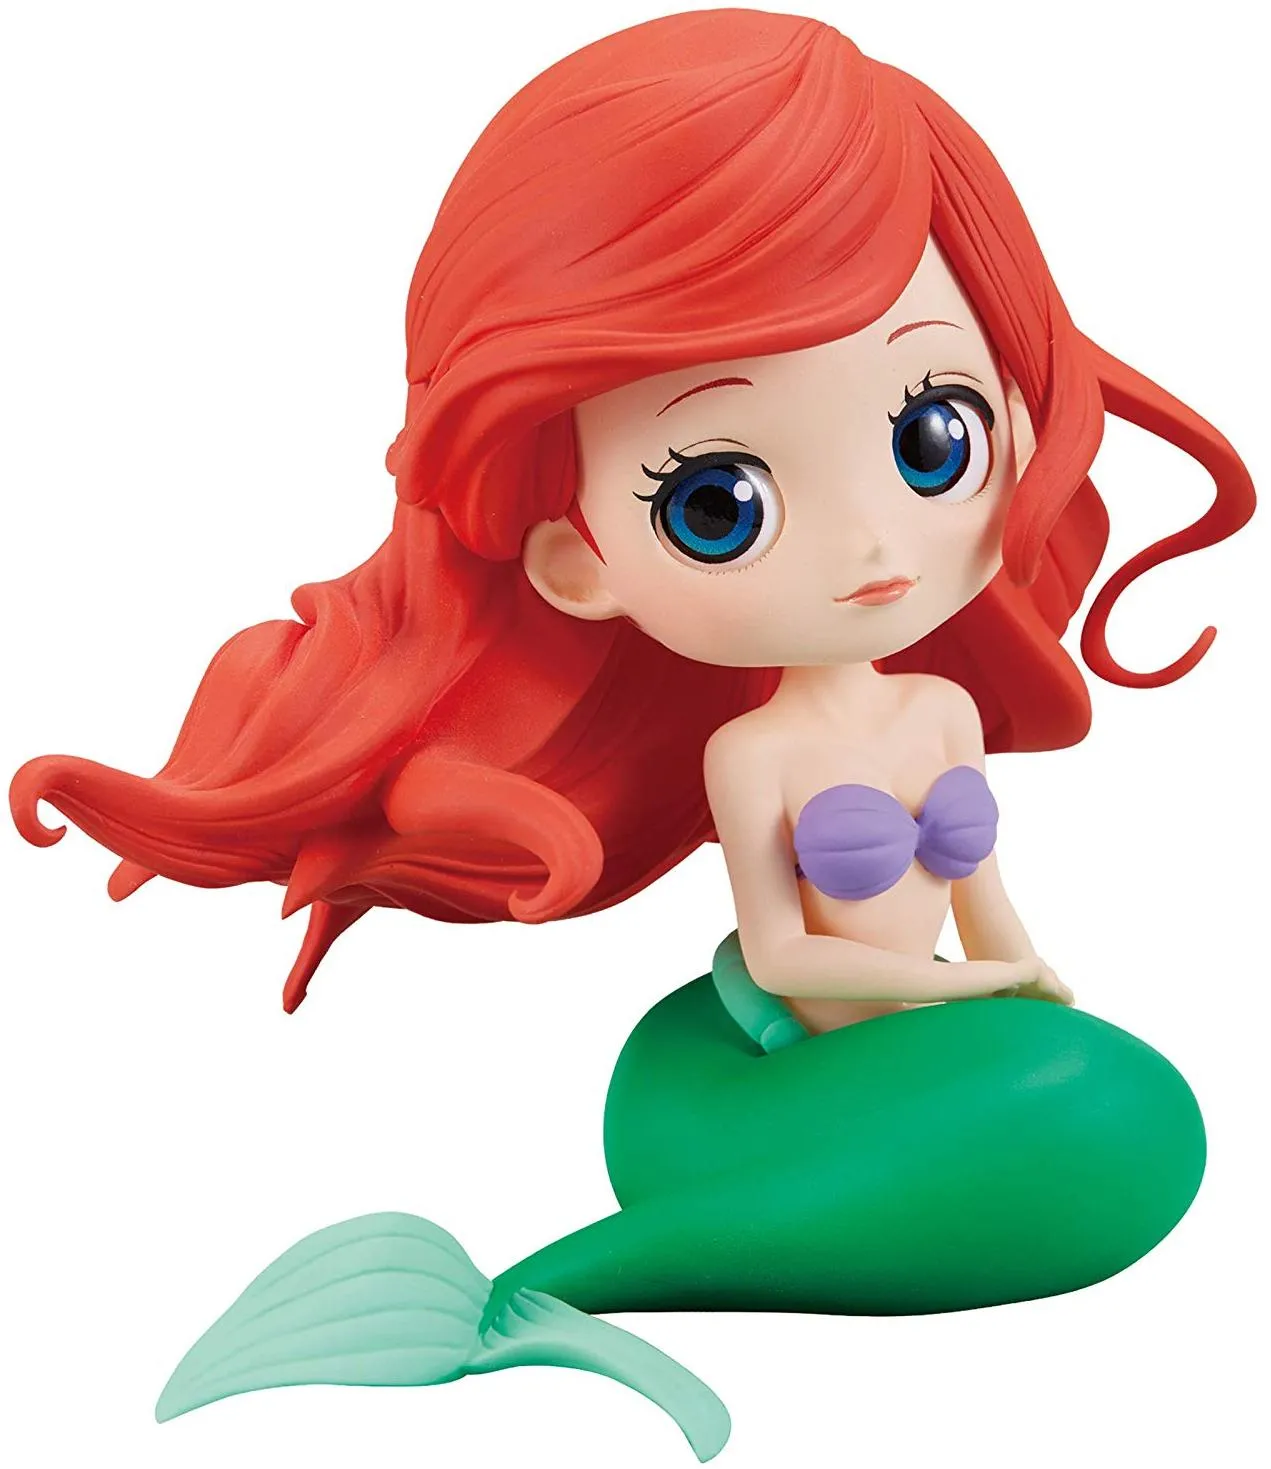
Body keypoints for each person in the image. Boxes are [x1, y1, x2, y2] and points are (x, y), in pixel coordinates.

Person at [9, 10, 1254, 1460]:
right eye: (719, 500)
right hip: (752, 1060)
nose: (871, 543)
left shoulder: (941, 709)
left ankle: (618, 1266)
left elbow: (981, 899)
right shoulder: (754, 756)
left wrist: (1012, 973)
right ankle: (546, 1288)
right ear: (577, 560)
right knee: (1106, 1121)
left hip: (925, 1040)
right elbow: (789, 957)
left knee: (1118, 1115)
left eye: (933, 435)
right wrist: (966, 991)